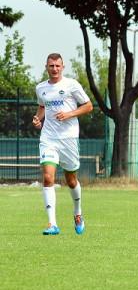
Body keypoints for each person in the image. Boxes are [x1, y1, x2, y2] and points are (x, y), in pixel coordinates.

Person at [33, 53, 93, 236]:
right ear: (46, 67)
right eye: (51, 66)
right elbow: (43, 106)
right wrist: (37, 119)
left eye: (57, 66)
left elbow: (88, 106)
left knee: (71, 180)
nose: (54, 69)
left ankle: (77, 213)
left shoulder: (71, 85)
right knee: (48, 177)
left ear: (62, 67)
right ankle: (52, 224)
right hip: (48, 138)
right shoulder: (41, 88)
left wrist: (69, 114)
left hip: (68, 139)